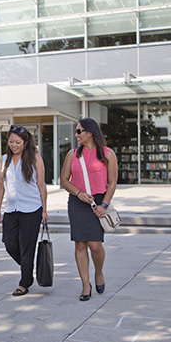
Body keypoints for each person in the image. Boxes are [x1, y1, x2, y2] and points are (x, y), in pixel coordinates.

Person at [60, 118, 118, 301]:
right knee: (80, 244)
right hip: (78, 202)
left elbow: (112, 182)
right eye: (76, 131)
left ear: (90, 132)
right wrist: (78, 194)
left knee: (95, 245)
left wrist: (104, 205)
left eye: (79, 131)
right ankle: (85, 284)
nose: (76, 135)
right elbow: (64, 180)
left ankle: (98, 272)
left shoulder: (108, 154)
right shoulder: (72, 154)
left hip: (99, 202)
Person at [0, 125, 48, 296]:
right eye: (11, 141)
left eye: (17, 142)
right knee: (9, 243)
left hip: (32, 208)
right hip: (11, 209)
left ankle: (24, 282)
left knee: (27, 246)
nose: (13, 145)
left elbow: (41, 185)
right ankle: (28, 269)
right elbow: (1, 185)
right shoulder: (4, 160)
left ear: (25, 143)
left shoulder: (35, 158)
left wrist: (45, 209)